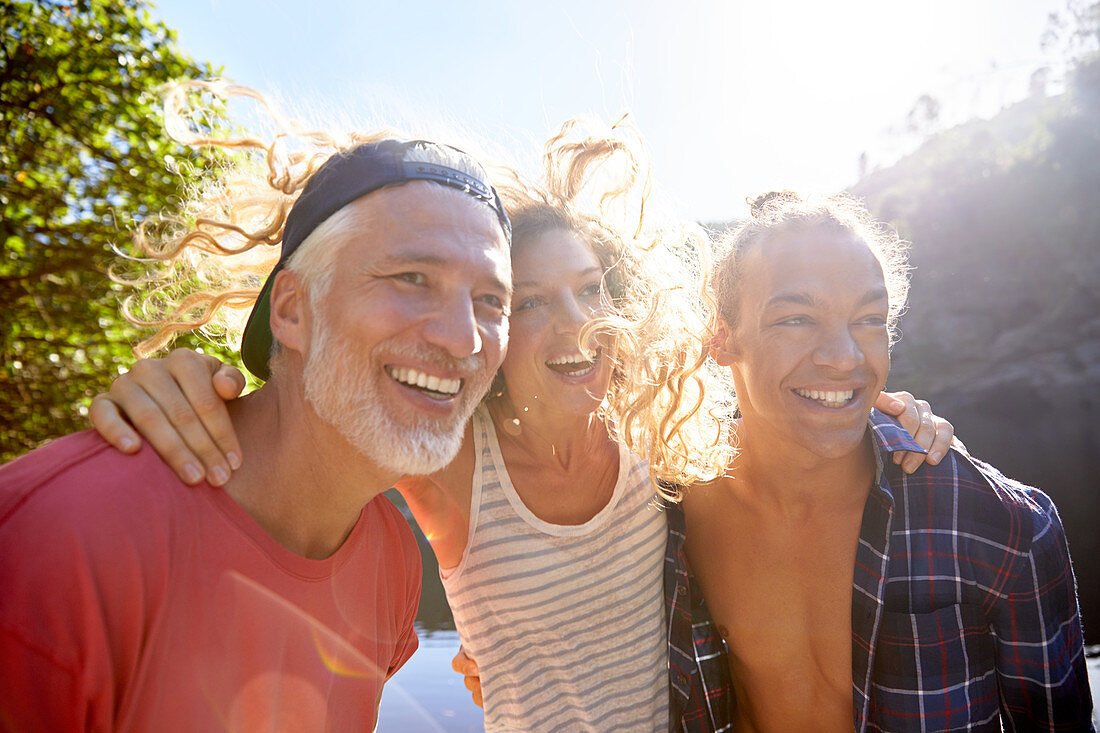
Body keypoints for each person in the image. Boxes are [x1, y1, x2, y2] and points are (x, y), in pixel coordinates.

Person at [88, 122, 956, 731]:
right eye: (531, 302)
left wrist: (890, 418)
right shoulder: (452, 460)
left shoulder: (657, 430)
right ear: (495, 333)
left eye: (589, 290)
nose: (575, 323)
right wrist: (183, 389)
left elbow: (789, 428)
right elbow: (310, 428)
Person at [0, 123, 515, 728]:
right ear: (292, 312)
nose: (463, 337)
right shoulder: (61, 539)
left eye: (491, 301)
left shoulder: (390, 559)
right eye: (411, 279)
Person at [677, 191, 1094, 731]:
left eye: (869, 319)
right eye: (797, 319)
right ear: (721, 337)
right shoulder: (670, 511)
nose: (845, 357)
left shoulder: (999, 528)